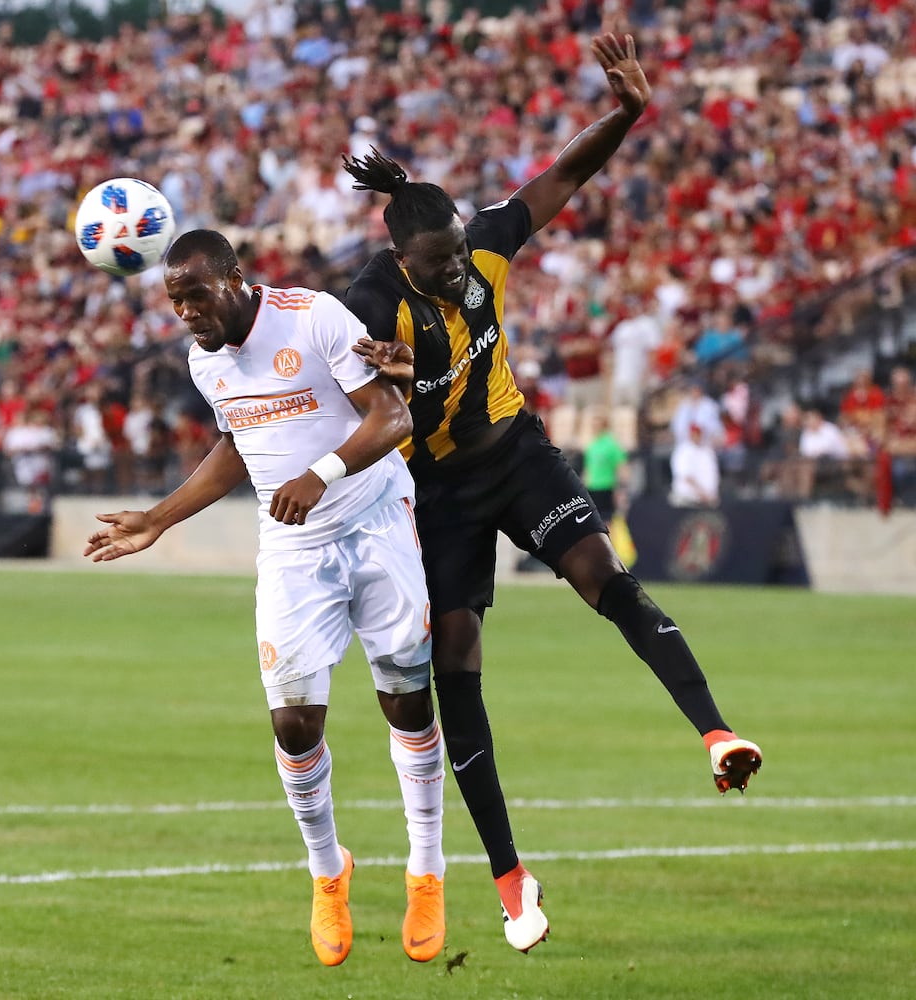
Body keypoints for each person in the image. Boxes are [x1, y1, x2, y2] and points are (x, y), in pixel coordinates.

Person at [341, 32, 762, 954]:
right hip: (439, 490)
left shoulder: (481, 242)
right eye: (435, 263)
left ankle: (717, 735)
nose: (454, 270)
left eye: (457, 253)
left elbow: (559, 178)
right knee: (454, 658)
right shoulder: (369, 305)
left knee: (603, 576)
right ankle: (507, 874)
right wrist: (373, 383)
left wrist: (625, 113)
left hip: (517, 452)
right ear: (400, 261)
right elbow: (350, 401)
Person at [83, 230, 446, 967]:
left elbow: (392, 416)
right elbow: (233, 449)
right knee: (292, 723)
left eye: (196, 294)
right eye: (174, 300)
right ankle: (327, 873)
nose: (186, 311)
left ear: (235, 279)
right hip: (293, 547)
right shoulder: (203, 360)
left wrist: (321, 473)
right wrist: (157, 517)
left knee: (407, 699)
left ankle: (427, 870)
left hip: (376, 522)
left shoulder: (313, 317)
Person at [669, 422, 720, 507]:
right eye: (695, 433)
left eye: (699, 433)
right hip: (686, 500)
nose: (697, 436)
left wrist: (711, 494)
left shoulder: (707, 450)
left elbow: (713, 473)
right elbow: (685, 476)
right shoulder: (683, 450)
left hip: (707, 499)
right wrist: (702, 493)